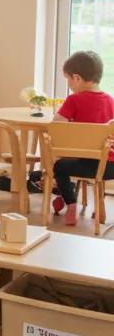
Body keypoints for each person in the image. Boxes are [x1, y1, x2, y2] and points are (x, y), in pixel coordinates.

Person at [49, 50, 114, 226]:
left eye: (68, 79)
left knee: (60, 166)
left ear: (76, 78)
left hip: (88, 166)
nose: (69, 84)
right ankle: (97, 208)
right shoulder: (111, 100)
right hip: (110, 167)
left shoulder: (74, 100)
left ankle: (71, 205)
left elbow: (56, 126)